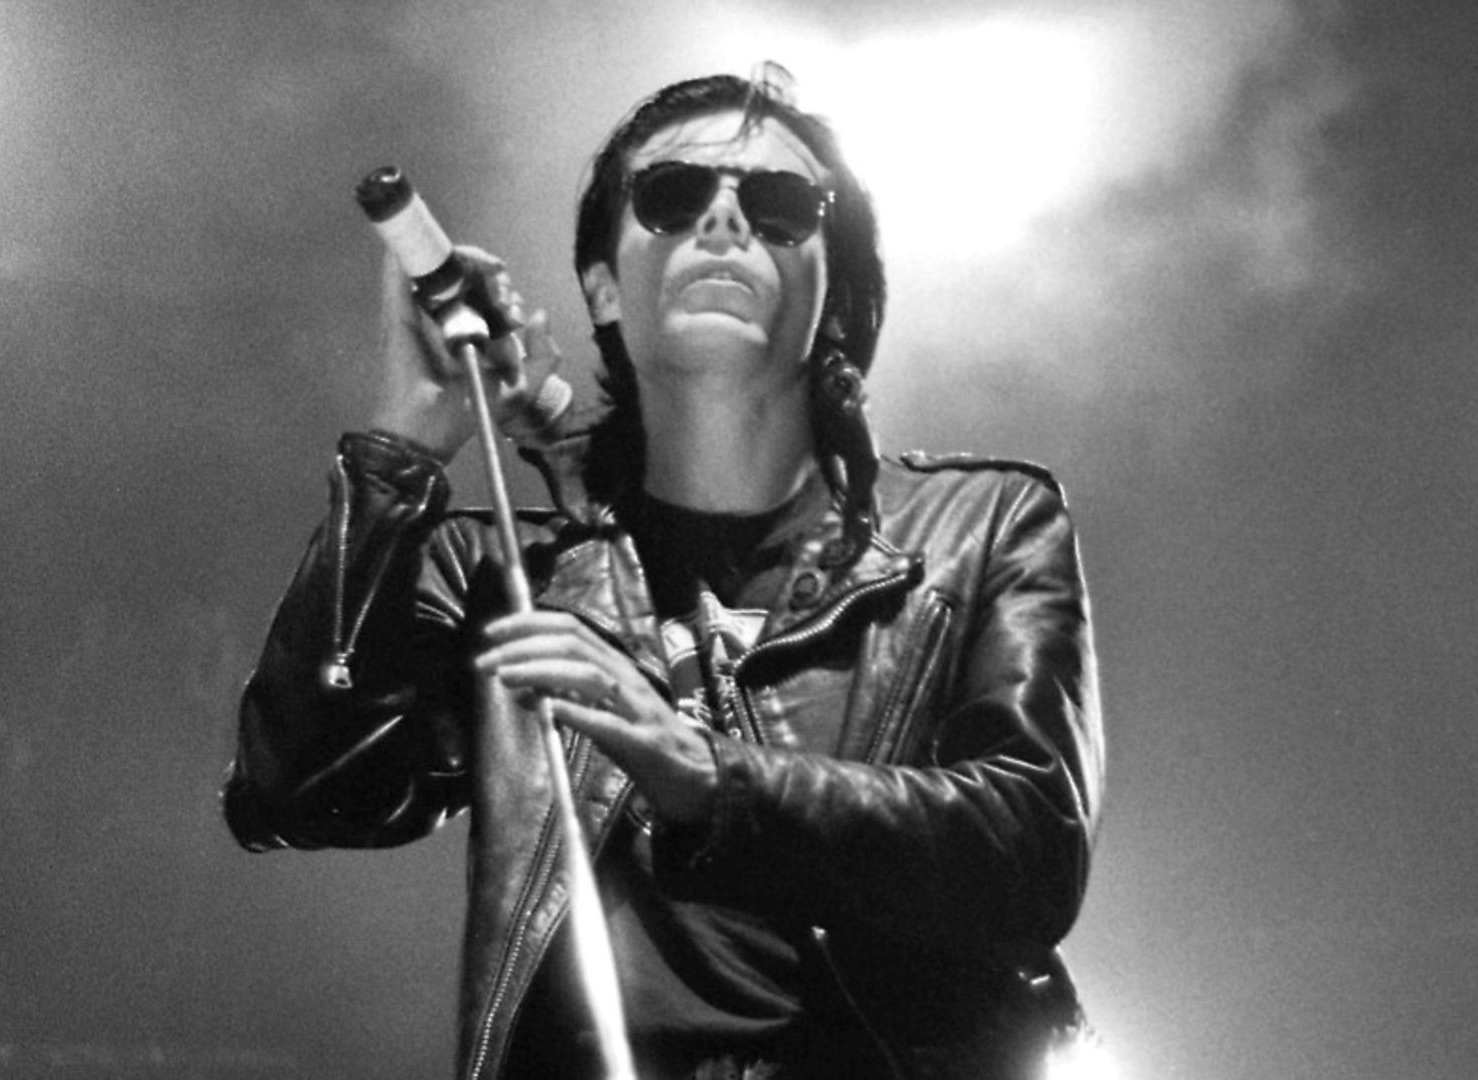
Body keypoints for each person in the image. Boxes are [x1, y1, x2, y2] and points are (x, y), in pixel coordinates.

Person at [223, 66, 1104, 1080]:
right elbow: (298, 792)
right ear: (603, 283)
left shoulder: (980, 526)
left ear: (836, 296)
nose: (724, 220)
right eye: (673, 197)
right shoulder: (504, 571)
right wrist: (403, 448)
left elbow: (1027, 856)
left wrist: (699, 776)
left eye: (780, 209)